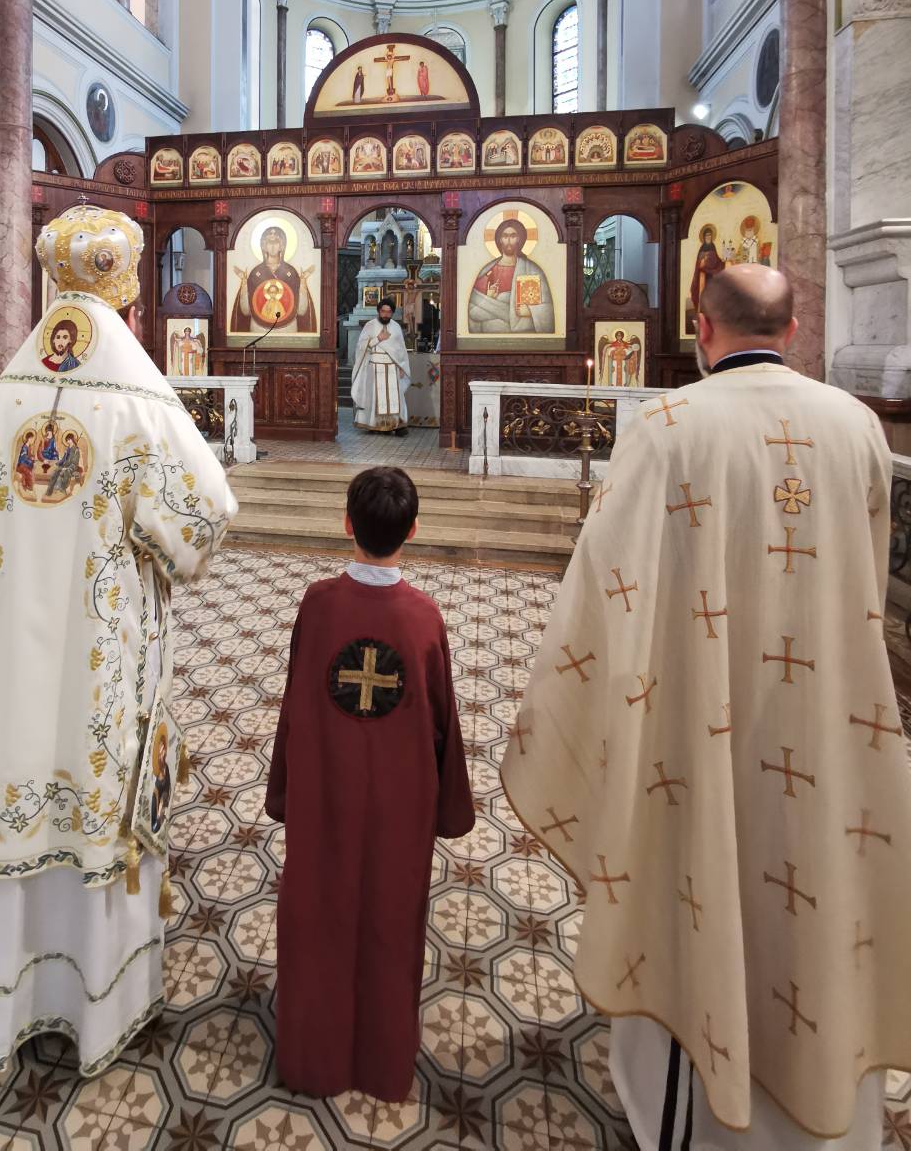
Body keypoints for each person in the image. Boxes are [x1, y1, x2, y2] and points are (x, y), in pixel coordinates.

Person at [500, 265, 911, 1149]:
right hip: (830, 723)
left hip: (699, 718)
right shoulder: (858, 426)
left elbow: (608, 593)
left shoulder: (668, 428)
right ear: (795, 329)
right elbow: (869, 577)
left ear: (701, 328)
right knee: (823, 891)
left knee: (697, 880)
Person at [0, 205, 236, 1078]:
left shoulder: (5, 396)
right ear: (126, 291)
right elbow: (205, 517)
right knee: (94, 771)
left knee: (10, 764)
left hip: (8, 647)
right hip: (101, 646)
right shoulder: (137, 400)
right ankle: (95, 1002)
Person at [265, 467, 473, 1100]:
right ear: (414, 530)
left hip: (324, 799)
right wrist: (450, 805)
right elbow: (443, 721)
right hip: (398, 810)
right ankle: (383, 1066)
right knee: (389, 921)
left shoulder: (317, 605)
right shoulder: (424, 618)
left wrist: (284, 787)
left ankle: (311, 1060)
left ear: (347, 524)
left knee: (317, 915)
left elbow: (296, 701)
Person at [468, 218, 555, 333]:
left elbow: (548, 309)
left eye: (513, 236)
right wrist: (488, 297)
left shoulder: (533, 270)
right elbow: (472, 311)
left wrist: (530, 311)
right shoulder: (487, 270)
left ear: (519, 239)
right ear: (500, 239)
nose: (509, 240)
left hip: (524, 337)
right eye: (505, 236)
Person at [229, 224, 317, 335]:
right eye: (269, 242)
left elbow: (301, 310)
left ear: (282, 246)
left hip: (287, 328)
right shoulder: (256, 273)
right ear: (263, 246)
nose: (272, 246)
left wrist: (303, 282)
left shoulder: (291, 273)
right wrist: (244, 283)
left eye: (276, 242)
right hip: (259, 328)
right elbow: (246, 310)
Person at [352, 298, 411, 435]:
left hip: (392, 367)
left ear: (392, 313)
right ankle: (374, 424)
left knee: (395, 397)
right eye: (383, 311)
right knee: (374, 397)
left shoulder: (396, 327)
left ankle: (397, 425)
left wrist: (402, 367)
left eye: (389, 312)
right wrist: (378, 339)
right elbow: (361, 347)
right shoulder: (370, 326)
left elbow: (401, 350)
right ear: (379, 311)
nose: (386, 314)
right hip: (374, 367)